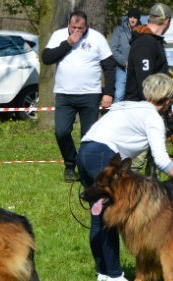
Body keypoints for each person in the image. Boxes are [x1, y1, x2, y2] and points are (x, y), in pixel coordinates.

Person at [77, 73, 173, 281]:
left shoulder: (127, 105)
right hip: (102, 154)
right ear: (169, 100)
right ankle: (115, 277)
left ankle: (104, 273)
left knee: (98, 214)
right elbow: (162, 160)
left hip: (85, 150)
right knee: (109, 218)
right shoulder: (153, 117)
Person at [42, 10, 115, 182]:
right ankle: (70, 162)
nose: (76, 31)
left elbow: (109, 66)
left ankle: (85, 170)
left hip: (90, 94)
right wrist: (68, 43)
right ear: (68, 25)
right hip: (64, 94)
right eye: (73, 27)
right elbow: (47, 58)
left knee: (88, 136)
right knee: (61, 132)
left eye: (80, 28)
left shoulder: (97, 38)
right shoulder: (59, 35)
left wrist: (109, 93)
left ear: (86, 26)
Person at [125, 3, 172, 102]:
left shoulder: (154, 42)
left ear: (148, 18)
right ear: (167, 21)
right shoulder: (145, 43)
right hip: (142, 108)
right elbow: (144, 84)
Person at [110, 7, 140, 102]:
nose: (132, 19)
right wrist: (124, 62)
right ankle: (115, 116)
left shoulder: (143, 31)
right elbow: (113, 50)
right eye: (130, 17)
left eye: (135, 17)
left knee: (138, 95)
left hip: (138, 69)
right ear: (128, 18)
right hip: (122, 69)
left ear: (138, 19)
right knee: (119, 95)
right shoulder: (119, 30)